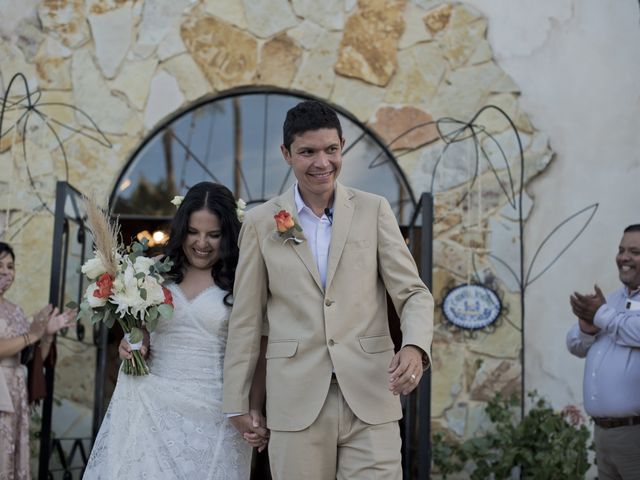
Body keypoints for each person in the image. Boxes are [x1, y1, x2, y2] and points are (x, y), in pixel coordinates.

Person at [222, 100, 434, 479]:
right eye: (308, 152)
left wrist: (415, 347)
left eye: (331, 150)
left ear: (342, 146)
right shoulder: (259, 222)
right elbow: (247, 319)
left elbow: (414, 293)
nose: (322, 163)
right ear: (286, 154)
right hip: (294, 399)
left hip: (371, 393)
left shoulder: (375, 210)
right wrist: (237, 401)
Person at [84, 182, 267, 479]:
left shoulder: (242, 279)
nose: (202, 243)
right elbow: (140, 330)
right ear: (182, 229)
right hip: (150, 401)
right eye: (193, 232)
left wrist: (254, 407)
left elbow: (258, 348)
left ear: (228, 235)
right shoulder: (155, 271)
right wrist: (134, 343)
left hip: (215, 409)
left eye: (214, 235)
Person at [566, 224, 640, 480]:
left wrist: (600, 314)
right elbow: (575, 346)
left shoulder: (605, 309)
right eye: (621, 250)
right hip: (603, 433)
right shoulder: (612, 301)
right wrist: (587, 328)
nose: (624, 257)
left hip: (635, 435)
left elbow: (636, 330)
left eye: (634, 251)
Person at [0, 241, 75, 480]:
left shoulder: (16, 311)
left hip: (14, 392)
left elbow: (32, 359)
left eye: (10, 266)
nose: (5, 271)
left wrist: (47, 335)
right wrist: (31, 334)